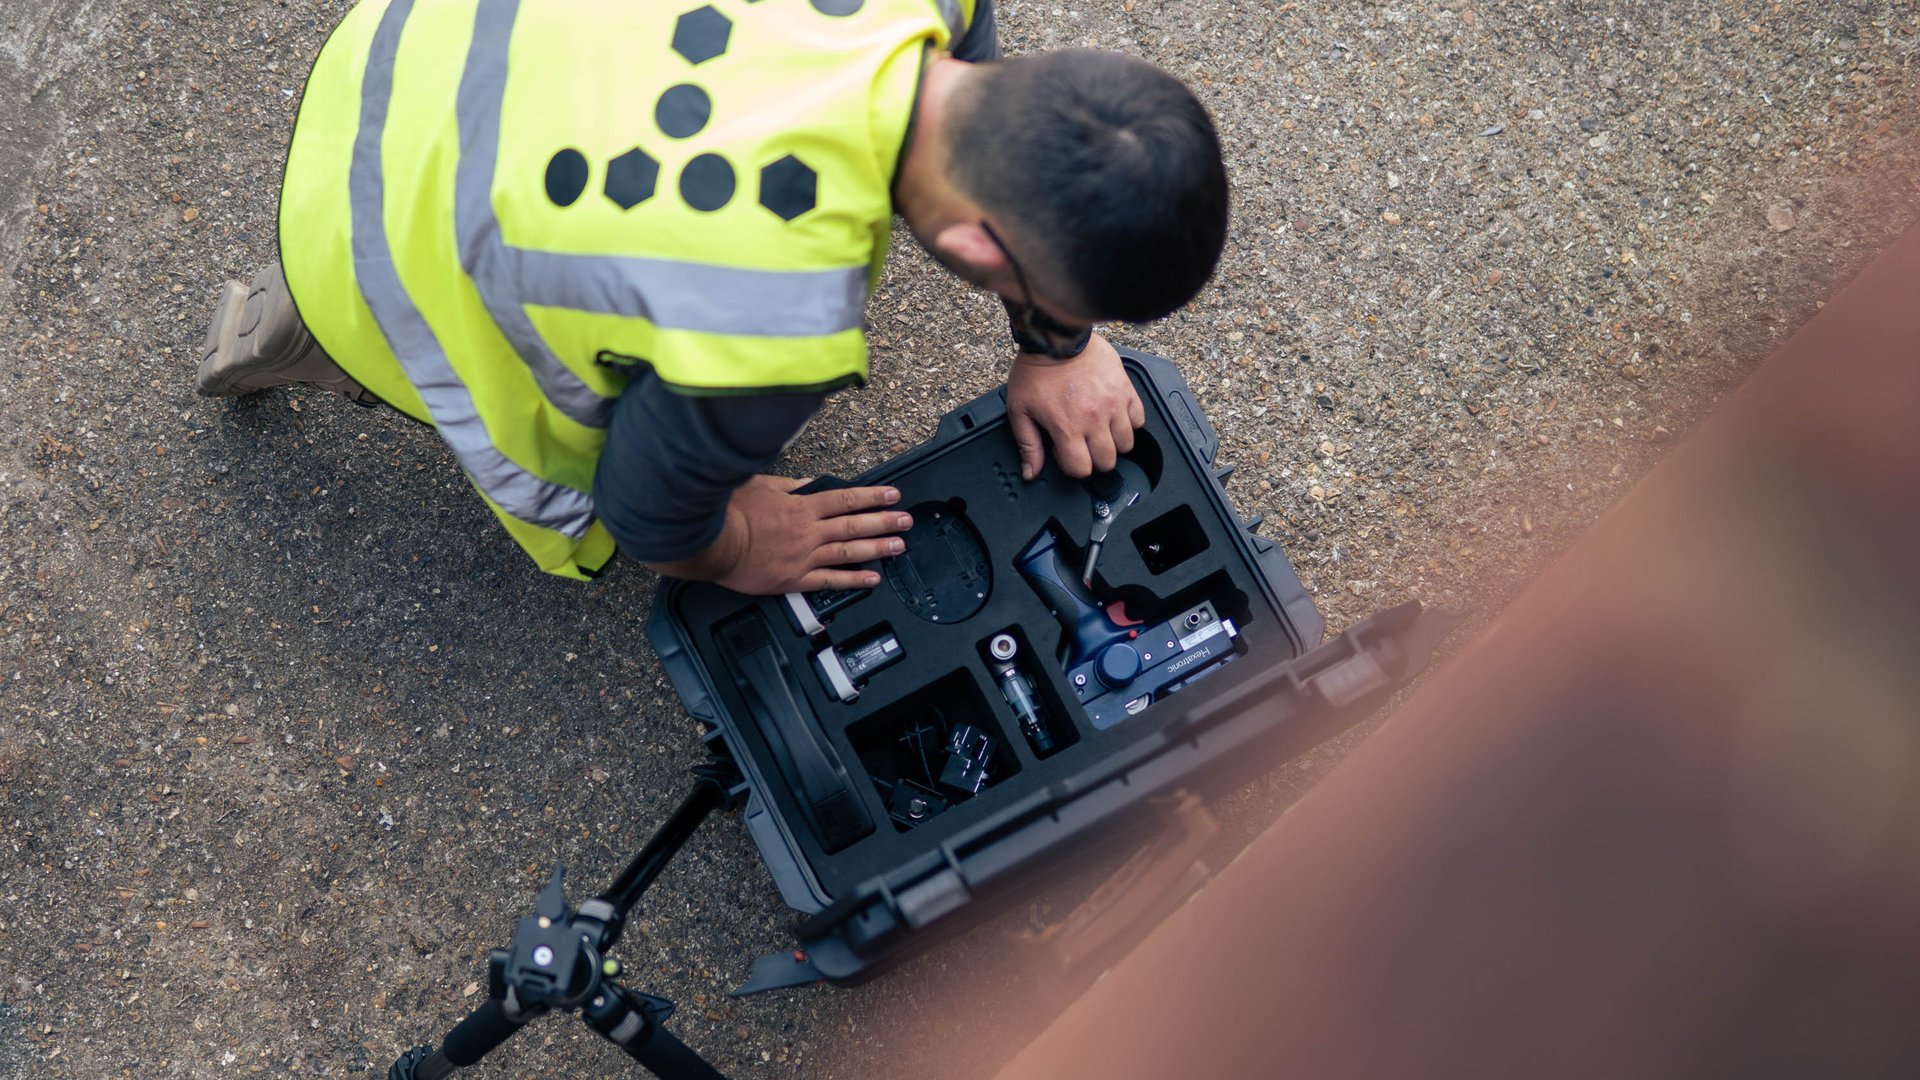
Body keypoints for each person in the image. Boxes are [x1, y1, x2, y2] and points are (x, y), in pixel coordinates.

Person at [196, 0, 1228, 595]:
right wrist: (736, 546)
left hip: (409, 50)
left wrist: (1057, 340)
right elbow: (648, 514)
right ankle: (309, 335)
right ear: (973, 247)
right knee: (427, 326)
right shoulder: (765, 314)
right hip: (372, 234)